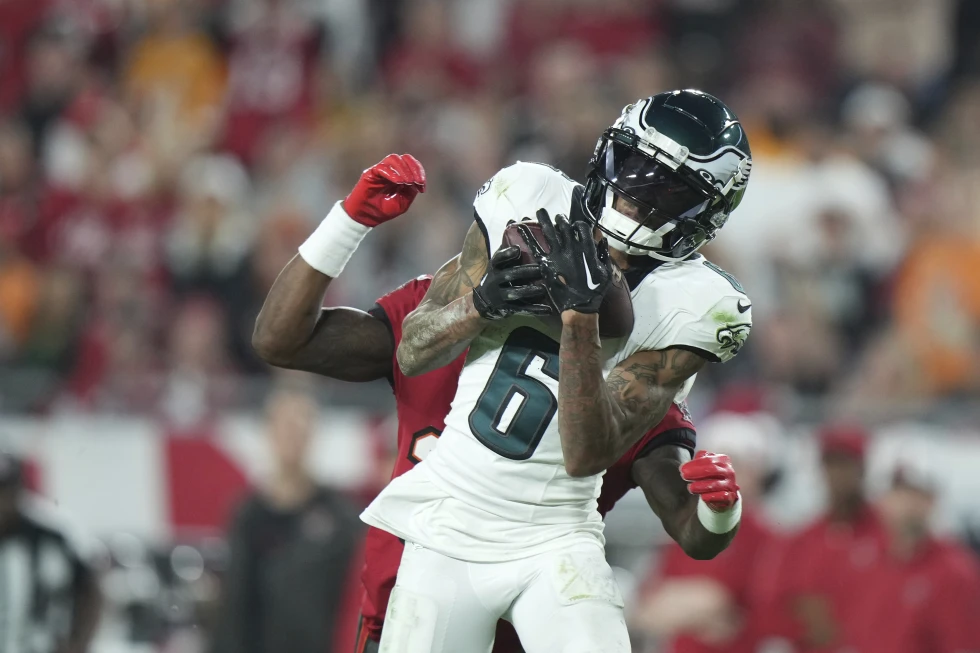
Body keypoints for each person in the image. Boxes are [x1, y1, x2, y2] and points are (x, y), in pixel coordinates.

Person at [252, 114, 746, 650]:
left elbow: (686, 524)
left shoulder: (643, 370)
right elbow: (284, 340)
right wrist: (352, 221)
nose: (633, 200)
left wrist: (721, 511)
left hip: (543, 590)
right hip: (412, 579)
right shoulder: (456, 304)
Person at [209, 386, 363, 653]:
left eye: (300, 428)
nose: (292, 437)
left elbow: (352, 604)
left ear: (312, 434)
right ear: (268, 432)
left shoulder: (341, 517)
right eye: (285, 427)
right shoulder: (248, 516)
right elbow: (234, 605)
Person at [632, 412, 780, 653]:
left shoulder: (766, 535)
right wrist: (704, 609)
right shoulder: (685, 527)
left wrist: (685, 605)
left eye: (736, 465)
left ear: (758, 471)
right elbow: (646, 612)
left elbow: (725, 604)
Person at [758, 424, 888, 653]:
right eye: (830, 464)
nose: (837, 474)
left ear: (863, 468)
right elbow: (771, 606)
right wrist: (803, 626)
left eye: (846, 464)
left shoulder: (888, 535)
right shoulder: (801, 541)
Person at [846, 463, 980, 653]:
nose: (907, 504)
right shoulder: (864, 560)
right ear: (882, 500)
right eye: (900, 493)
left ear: (932, 501)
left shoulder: (955, 572)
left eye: (917, 495)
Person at [0, 451, 103, 653]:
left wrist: (78, 643)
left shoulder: (53, 537)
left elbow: (90, 590)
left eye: (4, 492)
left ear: (19, 492)